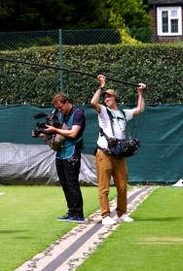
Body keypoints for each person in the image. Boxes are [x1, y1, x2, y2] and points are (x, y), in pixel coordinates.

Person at [90, 75, 146, 226]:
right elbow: (93, 102)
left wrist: (140, 92)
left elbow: (140, 109)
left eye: (109, 96)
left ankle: (122, 213)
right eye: (105, 96)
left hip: (119, 155)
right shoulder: (102, 111)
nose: (106, 98)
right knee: (104, 187)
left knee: (122, 186)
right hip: (104, 153)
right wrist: (101, 86)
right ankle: (105, 215)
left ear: (115, 98)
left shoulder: (123, 113)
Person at [44, 92, 86, 223]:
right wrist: (44, 134)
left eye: (60, 107)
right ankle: (71, 212)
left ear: (67, 102)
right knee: (64, 184)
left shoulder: (78, 113)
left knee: (72, 183)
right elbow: (59, 133)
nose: (59, 110)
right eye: (57, 108)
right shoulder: (62, 115)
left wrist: (55, 130)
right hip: (61, 153)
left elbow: (73, 133)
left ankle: (78, 214)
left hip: (72, 152)